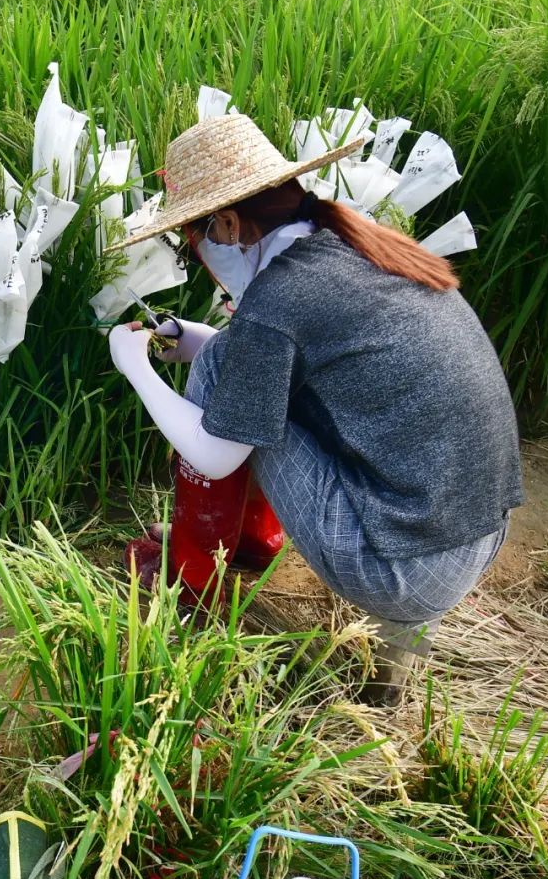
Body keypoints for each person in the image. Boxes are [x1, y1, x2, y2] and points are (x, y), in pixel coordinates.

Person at [108, 114, 522, 699]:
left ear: (227, 222)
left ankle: (198, 568)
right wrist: (194, 336)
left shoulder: (279, 298)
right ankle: (387, 656)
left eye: (192, 238)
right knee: (231, 358)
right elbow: (291, 352)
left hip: (400, 568)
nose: (195, 253)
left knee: (222, 369)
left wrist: (137, 366)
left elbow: (212, 453)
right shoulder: (355, 246)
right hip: (470, 532)